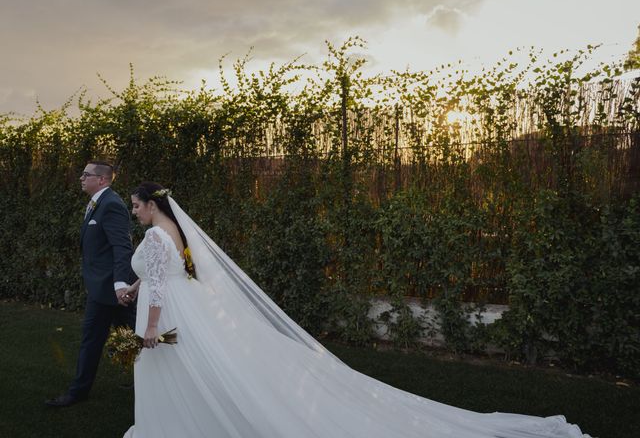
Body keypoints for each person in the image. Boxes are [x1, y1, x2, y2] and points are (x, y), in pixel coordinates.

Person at [122, 181, 591, 438]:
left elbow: (162, 287)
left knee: (188, 368)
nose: (135, 210)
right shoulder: (174, 233)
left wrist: (151, 329)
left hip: (173, 316)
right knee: (208, 371)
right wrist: (135, 288)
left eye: (137, 205)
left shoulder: (153, 235)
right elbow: (167, 272)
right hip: (187, 307)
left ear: (149, 205)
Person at [46, 161, 136, 407]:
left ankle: (77, 392)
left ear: (102, 180)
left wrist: (119, 283)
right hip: (106, 287)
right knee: (134, 335)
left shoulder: (112, 205)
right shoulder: (99, 202)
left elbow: (122, 247)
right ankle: (148, 380)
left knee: (91, 339)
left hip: (109, 288)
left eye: (86, 175)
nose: (81, 178)